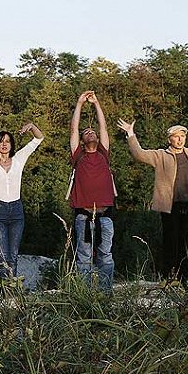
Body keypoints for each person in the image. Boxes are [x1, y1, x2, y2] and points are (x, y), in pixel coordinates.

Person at [117, 108, 188, 282]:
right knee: (171, 243)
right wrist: (131, 134)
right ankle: (168, 279)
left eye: (182, 136)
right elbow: (139, 154)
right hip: (170, 206)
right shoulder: (161, 156)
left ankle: (184, 279)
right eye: (176, 136)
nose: (180, 139)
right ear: (169, 139)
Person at [0, 116, 44, 278]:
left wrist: (31, 125)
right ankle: (3, 292)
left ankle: (12, 292)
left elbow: (39, 138)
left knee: (13, 255)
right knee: (1, 255)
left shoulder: (19, 159)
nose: (4, 144)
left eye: (7, 141)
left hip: (17, 211)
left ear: (12, 145)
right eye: (1, 141)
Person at [69, 91, 116, 291]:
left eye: (93, 132)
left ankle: (105, 295)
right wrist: (79, 102)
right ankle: (85, 295)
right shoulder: (77, 155)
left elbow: (103, 126)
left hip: (105, 215)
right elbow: (74, 128)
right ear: (81, 139)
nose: (90, 132)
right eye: (86, 132)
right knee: (84, 258)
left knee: (105, 256)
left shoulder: (104, 153)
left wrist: (96, 103)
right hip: (83, 215)